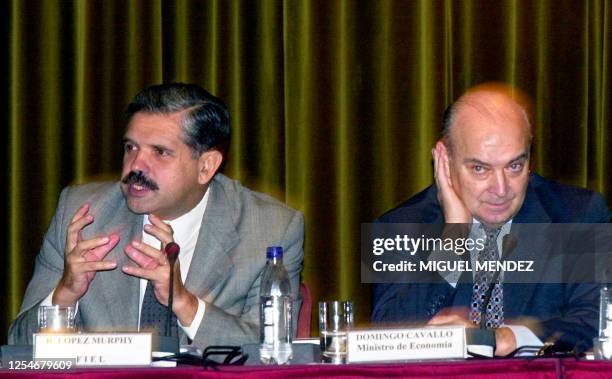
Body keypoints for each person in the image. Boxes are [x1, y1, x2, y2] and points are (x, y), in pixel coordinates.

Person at [8, 83, 304, 349]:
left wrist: (184, 303)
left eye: (160, 152)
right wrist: (65, 294)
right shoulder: (82, 214)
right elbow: (17, 346)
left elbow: (275, 352)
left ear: (206, 166)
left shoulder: (271, 229)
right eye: (130, 147)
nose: (136, 166)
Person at [371, 83, 609, 356]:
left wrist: (505, 337)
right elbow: (386, 336)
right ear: (445, 160)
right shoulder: (398, 227)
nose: (501, 189)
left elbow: (597, 319)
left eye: (514, 166)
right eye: (480, 169)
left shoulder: (578, 215)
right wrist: (454, 236)